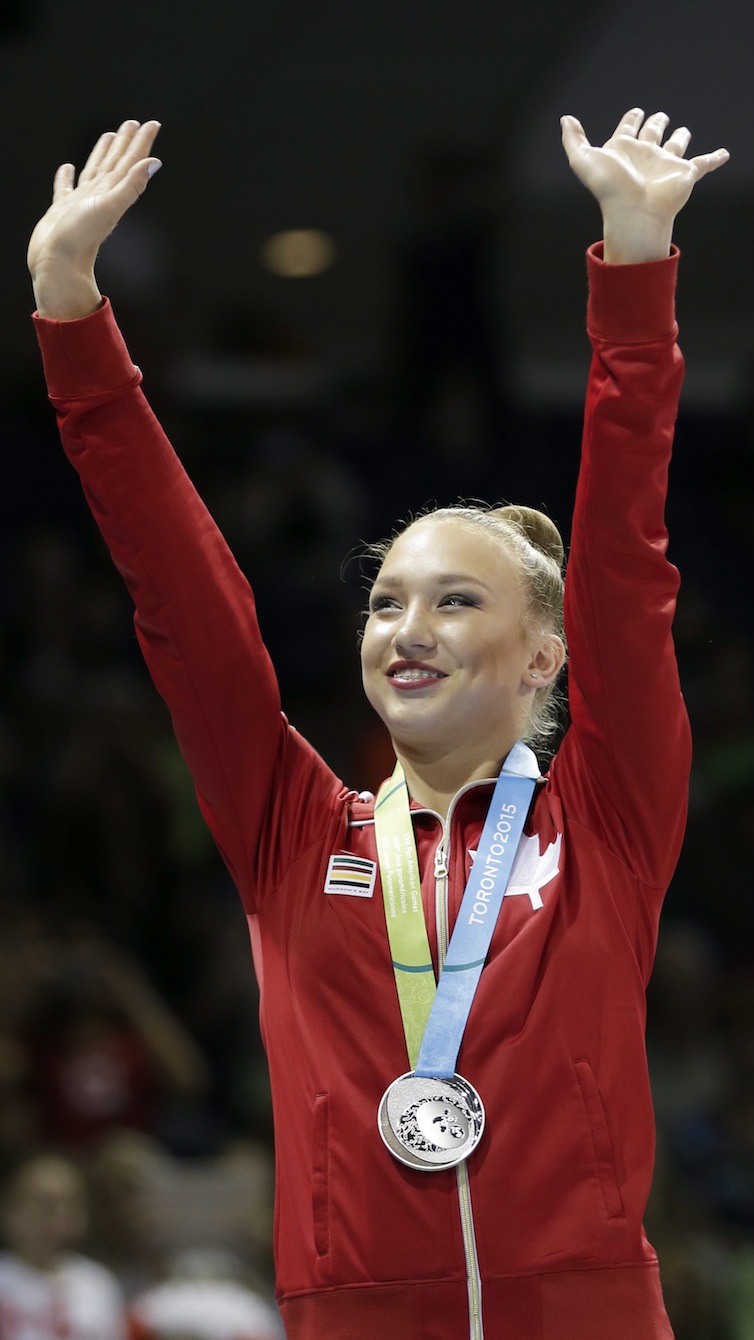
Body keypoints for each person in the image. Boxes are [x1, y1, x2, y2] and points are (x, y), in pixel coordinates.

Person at [26, 107, 728, 1339]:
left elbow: (626, 567)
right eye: (387, 600)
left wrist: (633, 274)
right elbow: (186, 610)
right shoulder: (293, 830)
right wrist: (73, 316)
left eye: (456, 601)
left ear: (544, 655)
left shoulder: (604, 819)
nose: (407, 627)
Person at [0, 1152, 125, 1338]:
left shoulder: (97, 1283)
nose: (57, 1216)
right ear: (9, 1209)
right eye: (44, 1204)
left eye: (69, 1204)